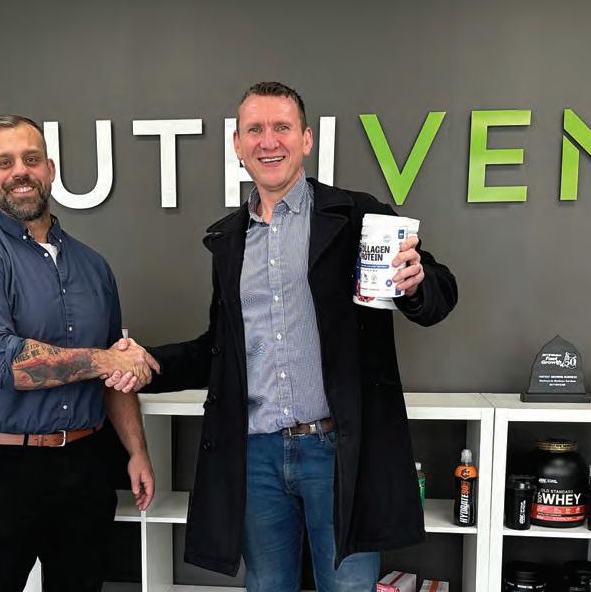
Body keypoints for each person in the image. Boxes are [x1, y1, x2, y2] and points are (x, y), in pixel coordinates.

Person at [117, 82, 458, 590]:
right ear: (237, 144)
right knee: (267, 585)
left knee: (348, 587)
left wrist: (416, 283)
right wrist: (147, 363)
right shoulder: (229, 241)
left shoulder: (356, 216)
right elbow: (219, 349)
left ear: (306, 139)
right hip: (256, 453)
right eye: (255, 130)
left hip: (337, 451)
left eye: (282, 127)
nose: (268, 141)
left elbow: (439, 295)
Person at [0, 114, 161, 592]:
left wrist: (137, 451)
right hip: (3, 470)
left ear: (50, 170)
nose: (20, 171)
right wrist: (109, 360)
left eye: (31, 159)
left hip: (86, 464)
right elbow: (4, 363)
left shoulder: (93, 266)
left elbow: (115, 373)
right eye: (4, 162)